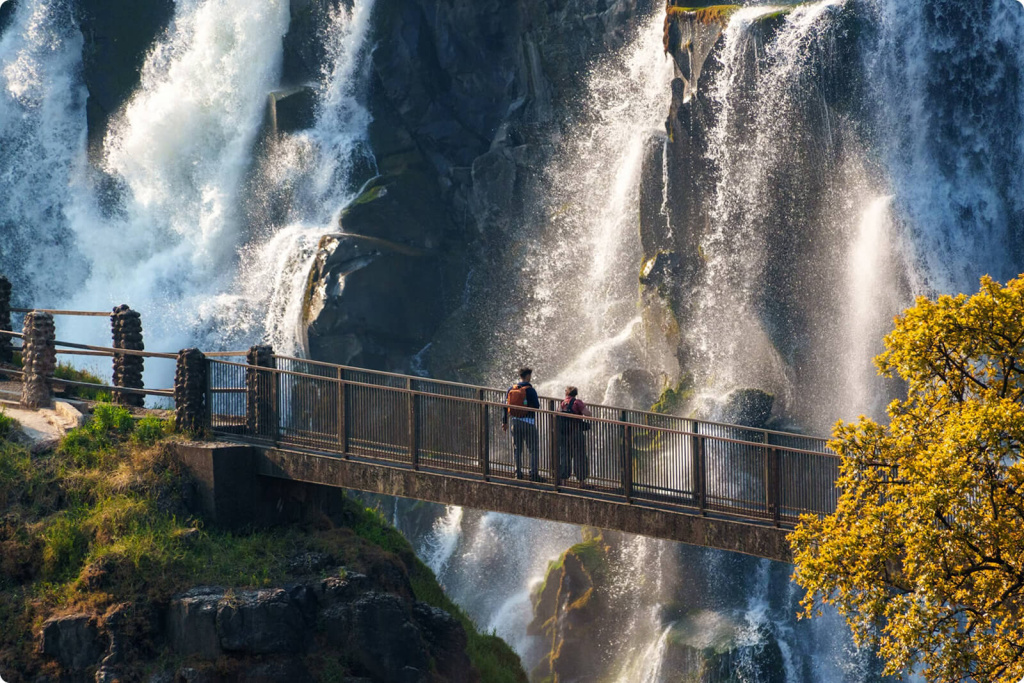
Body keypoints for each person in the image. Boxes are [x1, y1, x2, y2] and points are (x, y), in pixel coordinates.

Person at [502, 367, 541, 480]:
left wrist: (504, 422)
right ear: (528, 376)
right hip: (528, 423)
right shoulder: (530, 390)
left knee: (517, 449)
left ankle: (517, 473)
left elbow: (505, 406)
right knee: (533, 449)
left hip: (514, 422)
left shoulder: (511, 389)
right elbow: (536, 406)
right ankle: (533, 474)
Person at [558, 386, 592, 486]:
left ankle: (563, 480)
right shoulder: (577, 402)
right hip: (576, 433)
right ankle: (581, 482)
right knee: (579, 456)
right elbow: (588, 414)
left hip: (564, 434)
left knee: (565, 456)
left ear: (567, 393)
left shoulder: (562, 403)